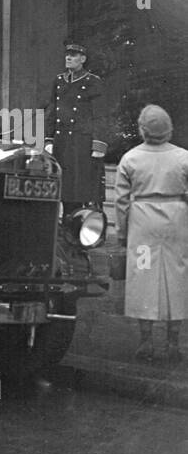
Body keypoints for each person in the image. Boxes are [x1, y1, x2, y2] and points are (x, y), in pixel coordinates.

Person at [114, 104, 188, 364]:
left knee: (143, 277)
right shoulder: (183, 157)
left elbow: (121, 202)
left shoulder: (131, 158)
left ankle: (146, 341)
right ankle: (173, 343)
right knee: (178, 277)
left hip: (143, 225)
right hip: (177, 222)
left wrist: (122, 234)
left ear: (142, 129)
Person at [43, 40, 105, 213]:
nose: (68, 58)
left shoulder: (93, 81)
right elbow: (52, 111)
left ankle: (78, 222)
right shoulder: (59, 81)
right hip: (61, 141)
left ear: (83, 59)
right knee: (61, 185)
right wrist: (48, 138)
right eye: (67, 55)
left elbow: (100, 114)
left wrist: (98, 144)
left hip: (81, 142)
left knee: (79, 188)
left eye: (74, 55)